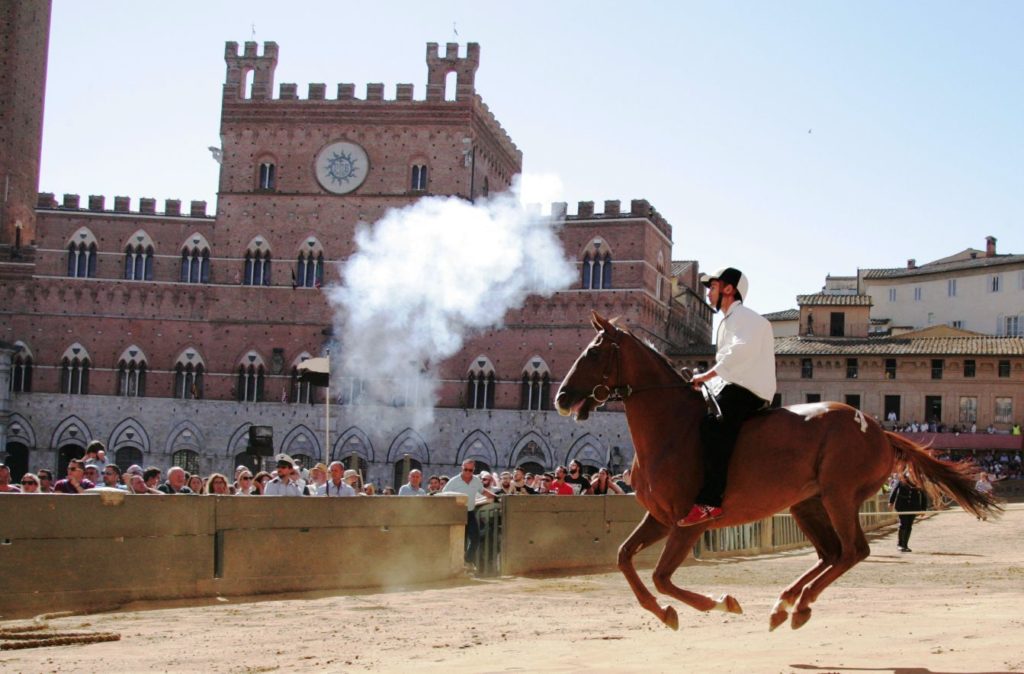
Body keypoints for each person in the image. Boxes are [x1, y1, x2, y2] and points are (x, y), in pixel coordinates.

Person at [680, 267, 776, 527]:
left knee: (713, 426)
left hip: (750, 390)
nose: (708, 293)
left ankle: (710, 501)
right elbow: (729, 364)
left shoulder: (746, 317)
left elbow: (738, 353)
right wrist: (706, 382)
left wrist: (707, 375)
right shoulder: (727, 322)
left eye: (712, 287)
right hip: (734, 386)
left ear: (729, 289)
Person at [442, 459, 497, 567]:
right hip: (457, 514)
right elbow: (444, 495)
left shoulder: (476, 480)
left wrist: (496, 497)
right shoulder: (453, 481)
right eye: (465, 469)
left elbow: (483, 491)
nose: (467, 472)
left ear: (473, 470)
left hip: (470, 513)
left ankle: (467, 560)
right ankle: (458, 564)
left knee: (475, 538)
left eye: (470, 470)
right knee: (460, 540)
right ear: (462, 468)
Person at [888, 472, 928, 552]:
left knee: (909, 525)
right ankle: (900, 545)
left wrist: (923, 509)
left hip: (913, 506)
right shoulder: (901, 478)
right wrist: (891, 502)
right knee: (903, 523)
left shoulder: (919, 480)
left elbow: (924, 495)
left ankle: (905, 545)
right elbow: (894, 490)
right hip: (902, 505)